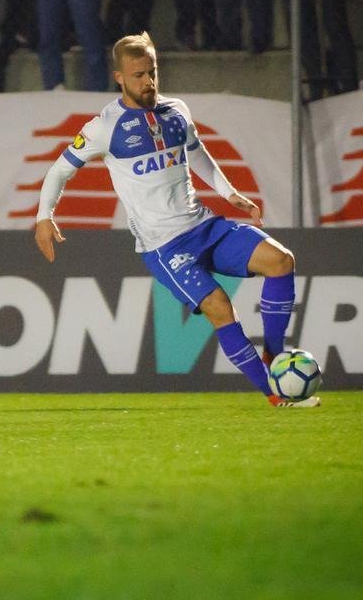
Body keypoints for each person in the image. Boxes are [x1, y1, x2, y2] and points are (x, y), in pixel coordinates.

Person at [33, 31, 320, 408]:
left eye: (152, 72)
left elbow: (196, 153)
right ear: (119, 77)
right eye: (138, 75)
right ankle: (274, 394)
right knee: (219, 306)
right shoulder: (104, 127)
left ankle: (274, 355)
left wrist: (229, 192)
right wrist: (44, 217)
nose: (148, 81)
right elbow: (58, 171)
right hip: (164, 247)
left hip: (204, 225)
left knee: (281, 261)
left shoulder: (176, 110)